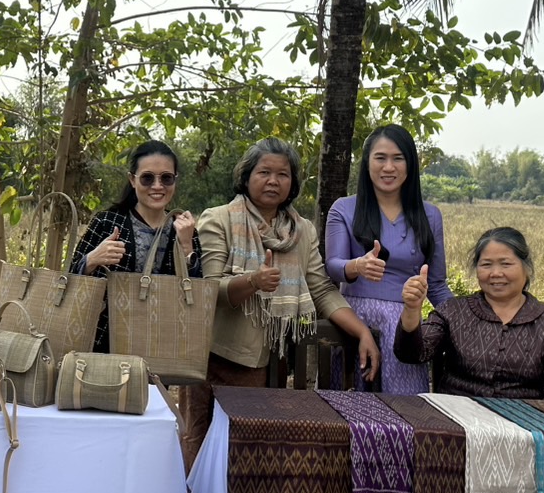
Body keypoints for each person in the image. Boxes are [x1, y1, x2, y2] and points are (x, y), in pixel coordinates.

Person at [179, 137, 381, 470]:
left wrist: (361, 332)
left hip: (272, 362)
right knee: (200, 453)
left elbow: (322, 290)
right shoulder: (218, 220)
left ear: (293, 183)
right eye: (264, 172)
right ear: (246, 177)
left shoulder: (301, 231)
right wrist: (253, 282)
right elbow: (209, 289)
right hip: (215, 358)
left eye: (283, 174)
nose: (273, 181)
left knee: (248, 459)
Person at [325, 124, 452, 393]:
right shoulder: (344, 209)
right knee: (350, 410)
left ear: (410, 164)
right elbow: (333, 266)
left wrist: (464, 320)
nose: (388, 167)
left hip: (405, 324)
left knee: (405, 410)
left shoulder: (430, 216)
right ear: (367, 163)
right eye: (380, 158)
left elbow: (437, 284)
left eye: (398, 158)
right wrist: (358, 265)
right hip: (354, 321)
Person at [394, 227, 544, 398]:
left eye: (506, 264)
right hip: (458, 422)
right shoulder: (453, 311)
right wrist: (411, 308)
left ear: (526, 268)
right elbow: (412, 354)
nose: (495, 273)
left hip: (522, 426)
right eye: (486, 265)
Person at [68, 141, 203, 352]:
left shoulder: (185, 229)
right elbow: (68, 279)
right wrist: (92, 259)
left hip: (160, 343)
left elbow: (196, 293)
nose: (157, 186)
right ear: (133, 180)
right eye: (148, 178)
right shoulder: (107, 222)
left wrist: (187, 247)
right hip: (103, 341)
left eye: (166, 178)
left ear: (175, 180)